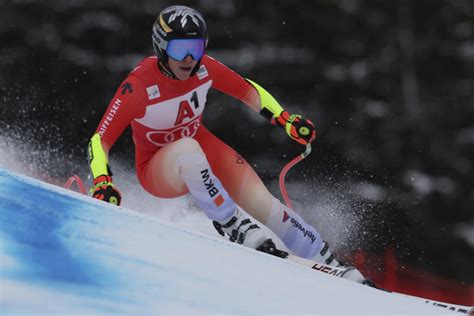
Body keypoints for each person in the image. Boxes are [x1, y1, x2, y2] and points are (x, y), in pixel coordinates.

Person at [88, 5, 367, 283]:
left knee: (264, 204)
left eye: (196, 49)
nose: (188, 58)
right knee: (187, 150)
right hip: (158, 169)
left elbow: (247, 89)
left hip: (201, 148)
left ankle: (325, 257)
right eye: (179, 49)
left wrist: (285, 119)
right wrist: (102, 180)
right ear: (161, 47)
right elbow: (99, 140)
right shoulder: (138, 86)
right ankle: (231, 222)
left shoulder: (204, 69)